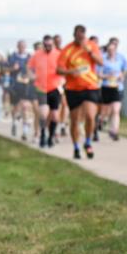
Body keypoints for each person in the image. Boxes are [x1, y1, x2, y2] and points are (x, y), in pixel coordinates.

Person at [56, 25, 104, 159]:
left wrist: (90, 52)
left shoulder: (92, 46)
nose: (81, 39)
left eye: (82, 37)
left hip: (90, 86)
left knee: (90, 115)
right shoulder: (67, 49)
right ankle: (76, 147)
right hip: (73, 88)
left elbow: (101, 62)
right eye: (78, 37)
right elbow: (58, 70)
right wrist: (70, 72)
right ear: (74, 35)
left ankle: (88, 142)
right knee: (75, 119)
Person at [30, 34, 63, 148]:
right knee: (43, 114)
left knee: (55, 116)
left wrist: (63, 79)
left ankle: (51, 137)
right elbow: (29, 67)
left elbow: (64, 69)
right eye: (46, 45)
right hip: (41, 88)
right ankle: (43, 135)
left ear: (53, 44)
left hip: (55, 88)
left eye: (50, 45)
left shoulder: (58, 54)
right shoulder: (37, 55)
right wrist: (31, 75)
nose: (48, 47)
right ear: (43, 44)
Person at [98, 37, 127, 141]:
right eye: (109, 50)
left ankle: (114, 131)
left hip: (117, 87)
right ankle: (101, 120)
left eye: (113, 49)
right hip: (106, 87)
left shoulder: (121, 58)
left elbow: (125, 69)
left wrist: (122, 75)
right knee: (105, 111)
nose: (111, 51)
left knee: (116, 110)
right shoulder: (102, 58)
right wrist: (107, 76)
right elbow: (98, 74)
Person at [8, 40, 35, 141]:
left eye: (24, 46)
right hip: (15, 86)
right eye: (20, 46)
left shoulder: (30, 57)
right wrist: (13, 68)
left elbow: (34, 72)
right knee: (15, 108)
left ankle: (24, 131)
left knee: (25, 107)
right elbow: (4, 69)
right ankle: (14, 122)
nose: (22, 48)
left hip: (27, 87)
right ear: (17, 46)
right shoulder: (12, 57)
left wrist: (30, 76)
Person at [53, 34, 69, 137]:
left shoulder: (64, 52)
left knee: (65, 104)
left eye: (59, 41)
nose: (58, 42)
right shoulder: (50, 53)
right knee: (57, 105)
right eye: (56, 41)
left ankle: (62, 125)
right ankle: (56, 126)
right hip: (53, 82)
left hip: (64, 81)